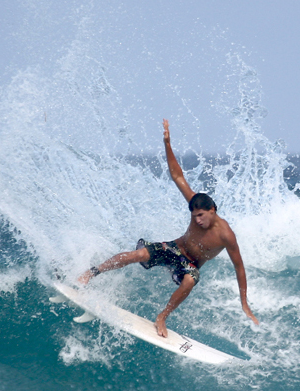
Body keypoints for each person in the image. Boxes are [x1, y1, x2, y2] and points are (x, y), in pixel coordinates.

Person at [77, 119, 259, 337]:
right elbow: (177, 176)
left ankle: (162, 317)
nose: (197, 221)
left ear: (212, 209)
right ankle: (90, 273)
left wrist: (244, 303)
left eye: (201, 216)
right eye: (194, 217)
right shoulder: (195, 204)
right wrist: (167, 142)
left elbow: (239, 267)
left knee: (190, 280)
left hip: (189, 264)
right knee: (138, 254)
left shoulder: (226, 235)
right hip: (174, 247)